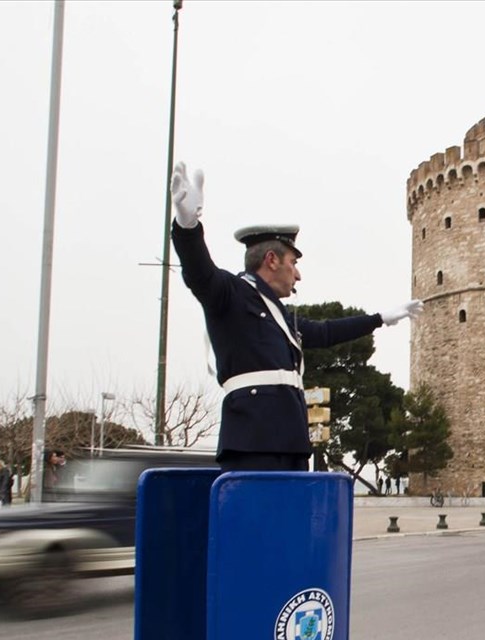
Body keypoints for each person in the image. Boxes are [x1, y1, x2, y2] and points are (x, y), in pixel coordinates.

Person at [170, 162, 423, 473]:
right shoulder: (231, 294)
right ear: (272, 260)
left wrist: (379, 318)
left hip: (290, 441)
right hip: (252, 442)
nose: (298, 274)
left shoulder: (279, 314)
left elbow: (325, 332)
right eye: (293, 262)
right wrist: (187, 225)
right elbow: (199, 271)